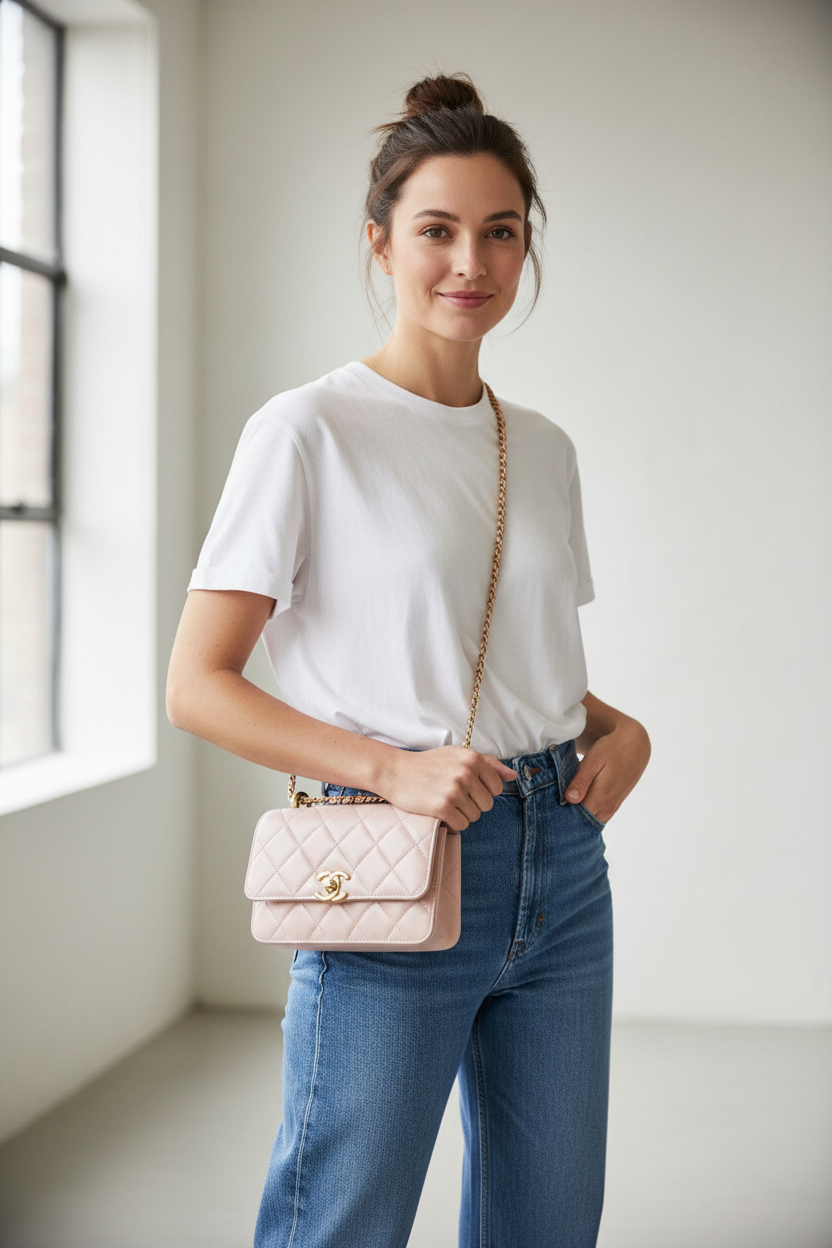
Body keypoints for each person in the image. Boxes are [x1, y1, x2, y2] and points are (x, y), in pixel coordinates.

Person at [167, 72, 651, 1248]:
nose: (469, 263)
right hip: (391, 863)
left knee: (548, 1224)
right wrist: (391, 772)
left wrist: (613, 727)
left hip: (563, 870)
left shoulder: (539, 448)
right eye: (436, 230)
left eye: (501, 232)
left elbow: (504, 661)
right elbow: (198, 685)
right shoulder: (306, 431)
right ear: (379, 242)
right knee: (343, 1220)